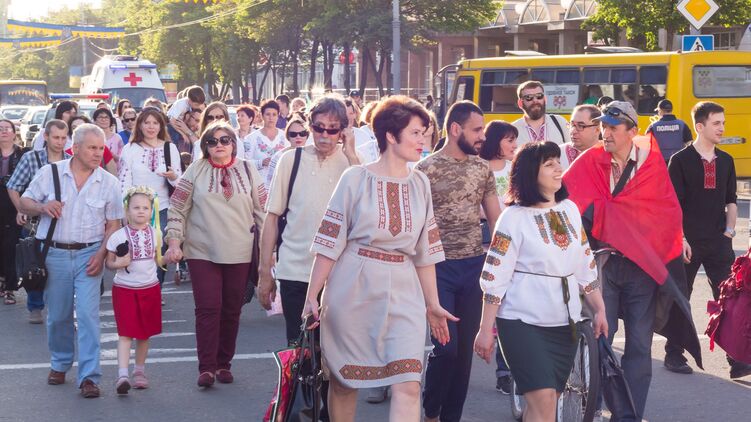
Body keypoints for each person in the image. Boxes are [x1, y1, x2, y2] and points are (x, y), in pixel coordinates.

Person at [301, 95, 453, 422]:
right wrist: (312, 295)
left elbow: (425, 252)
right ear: (390, 136)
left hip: (405, 291)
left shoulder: (420, 182)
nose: (423, 140)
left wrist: (433, 304)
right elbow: (330, 241)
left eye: (425, 133)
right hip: (353, 287)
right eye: (415, 133)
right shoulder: (355, 178)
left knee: (408, 384)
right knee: (345, 382)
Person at [563, 101, 703, 417]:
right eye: (603, 127)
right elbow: (564, 196)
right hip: (604, 263)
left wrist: (678, 237)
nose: (606, 133)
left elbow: (665, 208)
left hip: (642, 267)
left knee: (639, 345)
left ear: (632, 131)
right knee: (603, 335)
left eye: (613, 127)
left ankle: (629, 416)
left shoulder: (650, 163)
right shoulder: (591, 159)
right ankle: (594, 402)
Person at [473, 141, 608, 421]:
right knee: (544, 400)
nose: (559, 168)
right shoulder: (512, 218)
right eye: (549, 164)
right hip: (522, 323)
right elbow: (495, 276)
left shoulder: (570, 209)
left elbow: (585, 263)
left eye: (558, 161)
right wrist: (486, 329)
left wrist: (599, 308)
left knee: (547, 403)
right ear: (530, 173)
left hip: (564, 323)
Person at [19, 123, 124, 398]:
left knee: (88, 316)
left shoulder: (109, 183)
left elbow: (113, 224)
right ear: (75, 148)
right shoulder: (50, 173)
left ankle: (89, 376)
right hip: (54, 254)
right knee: (58, 316)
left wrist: (101, 254)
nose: (98, 153)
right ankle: (60, 362)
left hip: (90, 254)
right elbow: (24, 202)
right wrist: (42, 207)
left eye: (101, 148)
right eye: (92, 148)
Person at [417, 100, 501, 422]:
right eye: (476, 130)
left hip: (473, 267)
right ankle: (431, 411)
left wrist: (501, 261)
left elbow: (496, 219)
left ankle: (451, 416)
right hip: (437, 269)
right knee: (446, 349)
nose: (483, 136)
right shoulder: (424, 170)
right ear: (455, 129)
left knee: (464, 355)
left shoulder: (482, 169)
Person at [164, 121, 266, 388]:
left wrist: (270, 252)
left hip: (240, 251)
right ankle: (207, 368)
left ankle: (223, 364)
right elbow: (177, 208)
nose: (219, 145)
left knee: (231, 310)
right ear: (205, 146)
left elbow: (264, 213)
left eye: (224, 140)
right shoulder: (195, 170)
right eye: (212, 141)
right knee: (207, 309)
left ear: (233, 143)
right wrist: (174, 242)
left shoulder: (249, 169)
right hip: (202, 250)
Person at [665, 101, 751, 379]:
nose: (722, 128)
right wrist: (680, 237)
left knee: (729, 299)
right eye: (717, 123)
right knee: (681, 297)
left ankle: (736, 358)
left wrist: (729, 231)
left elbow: (731, 200)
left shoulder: (726, 160)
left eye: (723, 123)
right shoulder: (680, 160)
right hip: (687, 242)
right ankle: (673, 353)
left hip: (719, 242)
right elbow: (672, 205)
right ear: (700, 126)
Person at [6, 119, 71, 322]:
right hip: (34, 222)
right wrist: (20, 209)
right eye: (56, 137)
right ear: (46, 137)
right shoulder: (31, 158)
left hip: (62, 224)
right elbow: (13, 186)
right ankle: (35, 306)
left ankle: (60, 310)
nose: (60, 142)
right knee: (34, 266)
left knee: (60, 269)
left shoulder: (71, 160)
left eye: (63, 138)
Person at [106, 186, 163, 395]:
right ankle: (122, 375)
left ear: (152, 211)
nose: (141, 211)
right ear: (127, 210)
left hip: (150, 288)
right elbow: (109, 263)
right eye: (136, 207)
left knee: (145, 334)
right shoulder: (117, 236)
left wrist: (170, 257)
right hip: (125, 289)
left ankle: (139, 371)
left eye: (145, 208)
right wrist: (118, 263)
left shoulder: (156, 234)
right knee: (126, 333)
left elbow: (158, 261)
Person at [118, 107, 182, 288]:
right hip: (136, 210)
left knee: (159, 252)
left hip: (163, 208)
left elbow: (180, 182)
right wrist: (125, 212)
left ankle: (155, 290)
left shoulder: (170, 148)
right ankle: (139, 288)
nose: (151, 127)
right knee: (139, 252)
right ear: (140, 125)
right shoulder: (130, 149)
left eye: (155, 123)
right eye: (147, 122)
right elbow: (123, 182)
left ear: (161, 126)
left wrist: (173, 176)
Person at [0, 119, 26, 305]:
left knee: (10, 246)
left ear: (14, 133)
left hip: (14, 205)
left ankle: (10, 287)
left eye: (7, 128)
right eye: (0, 129)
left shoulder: (23, 154)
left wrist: (22, 208)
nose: (3, 131)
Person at [512, 81, 570, 147]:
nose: (535, 100)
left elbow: (572, 149)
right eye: (529, 97)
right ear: (520, 103)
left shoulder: (560, 122)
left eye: (539, 96)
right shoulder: (513, 130)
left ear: (545, 99)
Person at [242, 100, 289, 181]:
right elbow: (245, 163)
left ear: (278, 116)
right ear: (262, 116)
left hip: (280, 182)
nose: (271, 118)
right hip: (259, 183)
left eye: (274, 114)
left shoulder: (285, 137)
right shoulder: (251, 138)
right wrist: (261, 162)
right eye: (268, 114)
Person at [263, 116, 311, 189]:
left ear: (307, 135)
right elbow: (269, 185)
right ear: (288, 136)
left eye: (302, 133)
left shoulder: (313, 156)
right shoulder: (278, 157)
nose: (298, 137)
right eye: (293, 134)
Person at [646, 99, 693, 164]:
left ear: (660, 110)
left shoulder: (653, 127)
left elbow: (646, 146)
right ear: (671, 110)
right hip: (678, 163)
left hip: (659, 163)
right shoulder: (682, 125)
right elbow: (690, 144)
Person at [561, 104, 602, 170]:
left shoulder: (610, 156)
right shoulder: (558, 154)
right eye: (572, 125)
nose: (573, 131)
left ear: (597, 129)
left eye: (580, 126)